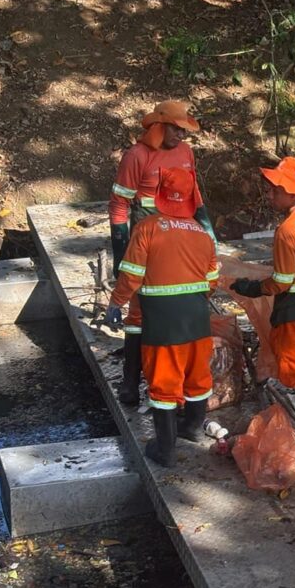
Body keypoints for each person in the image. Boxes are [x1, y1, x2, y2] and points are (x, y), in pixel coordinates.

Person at [105, 168, 218, 467]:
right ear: (192, 199)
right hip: (197, 321)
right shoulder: (202, 235)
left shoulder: (147, 228)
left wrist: (115, 304)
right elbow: (213, 281)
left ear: (159, 197)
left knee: (164, 386)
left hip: (162, 325)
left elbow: (131, 276)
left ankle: (165, 450)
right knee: (197, 377)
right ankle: (193, 428)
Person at [108, 100, 214, 405]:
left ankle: (175, 384)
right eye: (176, 129)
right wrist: (121, 248)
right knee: (138, 310)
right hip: (147, 230)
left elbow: (194, 194)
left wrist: (207, 231)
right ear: (159, 125)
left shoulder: (185, 153)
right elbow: (119, 204)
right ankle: (130, 383)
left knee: (177, 303)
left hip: (181, 227)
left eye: (184, 131)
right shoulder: (137, 156)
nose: (180, 136)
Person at [229, 157, 295, 431]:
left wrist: (251, 287)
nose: (270, 194)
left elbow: (282, 282)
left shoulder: (288, 230)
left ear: (293, 193)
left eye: (275, 190)